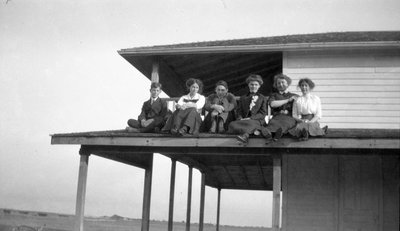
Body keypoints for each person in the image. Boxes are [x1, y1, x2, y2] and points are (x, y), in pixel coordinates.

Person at [227, 74, 268, 143]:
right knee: (232, 124)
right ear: (248, 85)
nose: (253, 86)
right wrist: (240, 118)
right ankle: (255, 131)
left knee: (251, 124)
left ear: (259, 86)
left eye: (256, 85)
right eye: (252, 84)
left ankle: (245, 136)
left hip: (256, 120)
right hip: (243, 120)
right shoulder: (243, 98)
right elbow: (239, 111)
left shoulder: (262, 98)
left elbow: (263, 113)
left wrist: (251, 118)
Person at [262, 74, 299, 143]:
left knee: (286, 123)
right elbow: (272, 104)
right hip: (277, 117)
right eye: (278, 83)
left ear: (287, 84)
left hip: (289, 117)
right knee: (273, 123)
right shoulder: (274, 95)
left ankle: (275, 135)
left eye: (283, 82)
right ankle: (271, 134)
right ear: (276, 85)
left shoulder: (294, 96)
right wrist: (288, 100)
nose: (281, 84)